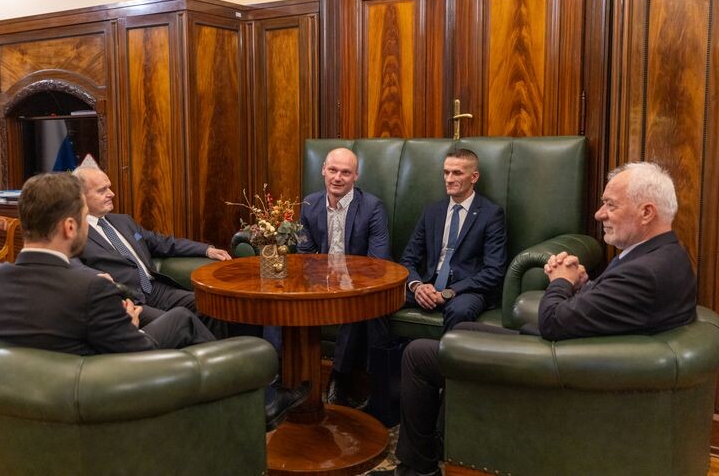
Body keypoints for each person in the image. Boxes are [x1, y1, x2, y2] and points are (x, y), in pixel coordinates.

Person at [369, 161, 698, 476]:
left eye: (610, 205)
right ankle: (444, 439)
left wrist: (560, 282)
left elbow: (553, 322)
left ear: (646, 212)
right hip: (568, 353)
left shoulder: (645, 271)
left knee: (418, 354)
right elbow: (611, 308)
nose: (599, 214)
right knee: (467, 328)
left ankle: (417, 468)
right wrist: (583, 286)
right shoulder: (663, 255)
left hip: (551, 365)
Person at [0, 173, 215, 355]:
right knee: (182, 320)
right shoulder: (91, 288)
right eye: (84, 218)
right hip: (100, 385)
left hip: (44, 384)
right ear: (70, 227)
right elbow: (135, 352)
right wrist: (131, 325)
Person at [73, 166, 231, 336]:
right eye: (102, 190)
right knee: (180, 322)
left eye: (109, 187)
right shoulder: (75, 232)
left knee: (211, 306)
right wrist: (92, 276)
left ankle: (221, 350)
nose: (111, 194)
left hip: (156, 289)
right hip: (129, 300)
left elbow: (160, 242)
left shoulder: (123, 221)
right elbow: (70, 266)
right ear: (80, 196)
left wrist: (206, 250)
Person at [298, 147, 390, 406]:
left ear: (356, 176)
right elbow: (304, 254)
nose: (338, 177)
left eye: (346, 172)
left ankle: (338, 379)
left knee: (354, 305)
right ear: (323, 171)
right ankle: (281, 376)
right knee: (277, 299)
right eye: (333, 170)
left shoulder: (372, 207)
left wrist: (344, 282)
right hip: (320, 280)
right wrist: (319, 280)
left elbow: (378, 262)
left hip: (358, 283)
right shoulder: (310, 204)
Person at [399, 149, 507, 333]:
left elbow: (494, 270)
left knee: (459, 311)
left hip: (466, 289)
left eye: (457, 173)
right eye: (446, 172)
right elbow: (408, 259)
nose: (449, 179)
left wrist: (449, 292)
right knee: (382, 300)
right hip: (429, 284)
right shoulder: (432, 211)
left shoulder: (491, 214)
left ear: (474, 177)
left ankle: (441, 353)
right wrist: (417, 286)